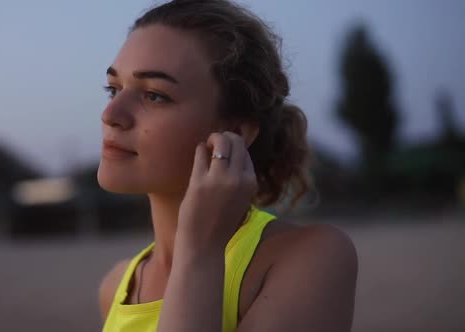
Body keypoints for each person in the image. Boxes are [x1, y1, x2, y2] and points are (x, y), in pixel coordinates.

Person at [97, 1, 358, 331]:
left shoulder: (310, 258)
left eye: (155, 95)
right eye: (113, 89)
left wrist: (200, 253)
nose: (110, 115)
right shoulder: (117, 286)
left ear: (234, 133)